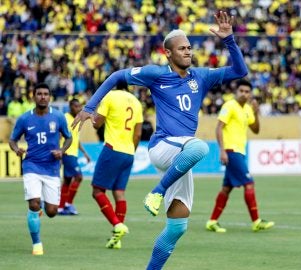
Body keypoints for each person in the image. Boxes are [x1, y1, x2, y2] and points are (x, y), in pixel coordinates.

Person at [72, 11, 248, 269]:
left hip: (181, 155)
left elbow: (240, 71)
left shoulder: (201, 76)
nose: (188, 52)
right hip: (163, 146)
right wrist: (90, 105)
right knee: (200, 146)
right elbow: (117, 76)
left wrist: (229, 40)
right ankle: (156, 192)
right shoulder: (156, 74)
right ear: (168, 53)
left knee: (178, 226)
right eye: (182, 48)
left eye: (189, 47)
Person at [9, 83, 72, 255]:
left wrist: (62, 151)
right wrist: (16, 150)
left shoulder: (58, 117)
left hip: (51, 168)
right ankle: (37, 244)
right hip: (31, 165)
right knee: (34, 203)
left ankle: (42, 208)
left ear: (49, 97)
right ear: (34, 96)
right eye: (39, 93)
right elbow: (12, 139)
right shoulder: (24, 119)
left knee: (52, 212)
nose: (42, 96)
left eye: (45, 94)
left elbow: (68, 137)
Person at [206, 79, 275, 233]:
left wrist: (256, 113)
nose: (244, 94)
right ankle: (256, 221)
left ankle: (212, 221)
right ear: (236, 92)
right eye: (241, 91)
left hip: (240, 152)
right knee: (249, 183)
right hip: (231, 151)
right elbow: (219, 128)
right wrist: (222, 150)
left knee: (226, 189)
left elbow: (256, 130)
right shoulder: (229, 106)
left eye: (247, 91)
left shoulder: (248, 109)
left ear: (250, 94)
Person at [92, 89, 143, 249]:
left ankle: (116, 224)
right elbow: (138, 134)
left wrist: (92, 114)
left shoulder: (110, 96)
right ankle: (117, 238)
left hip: (112, 148)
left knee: (98, 191)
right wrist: (131, 152)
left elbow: (97, 124)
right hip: (129, 152)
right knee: (119, 193)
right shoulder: (136, 102)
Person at [58, 99, 91, 215]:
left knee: (67, 181)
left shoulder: (77, 119)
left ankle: (61, 207)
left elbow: (76, 139)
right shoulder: (65, 118)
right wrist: (60, 151)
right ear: (70, 107)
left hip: (74, 154)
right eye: (76, 106)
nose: (78, 109)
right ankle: (68, 203)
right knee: (79, 177)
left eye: (79, 107)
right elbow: (59, 135)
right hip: (67, 153)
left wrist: (85, 153)